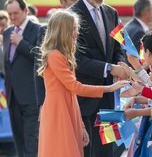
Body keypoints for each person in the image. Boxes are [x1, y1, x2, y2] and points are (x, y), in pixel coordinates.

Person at [37, 10, 129, 157]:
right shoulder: (54, 56)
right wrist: (109, 88)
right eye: (73, 29)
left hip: (69, 108)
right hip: (58, 111)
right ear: (63, 30)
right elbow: (75, 87)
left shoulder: (64, 55)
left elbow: (72, 93)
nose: (76, 33)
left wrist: (81, 126)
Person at [70, 0, 127, 157]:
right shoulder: (71, 16)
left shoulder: (111, 13)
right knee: (85, 151)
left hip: (109, 100)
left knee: (107, 152)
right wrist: (109, 69)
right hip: (84, 99)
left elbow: (119, 49)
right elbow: (76, 59)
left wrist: (120, 62)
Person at [3, 0, 40, 157]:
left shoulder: (38, 29)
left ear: (25, 11)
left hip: (31, 96)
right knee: (18, 140)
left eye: (15, 13)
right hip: (12, 96)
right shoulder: (8, 32)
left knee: (31, 141)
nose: (12, 17)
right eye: (9, 14)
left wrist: (21, 43)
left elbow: (40, 56)